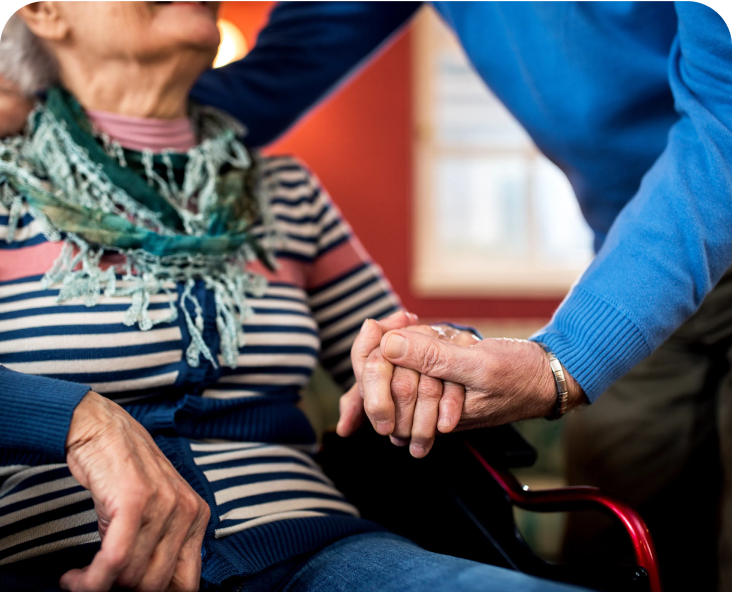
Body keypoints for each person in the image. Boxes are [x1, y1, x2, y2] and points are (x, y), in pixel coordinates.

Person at [0, 3, 587, 592]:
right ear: (47, 13)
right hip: (67, 561)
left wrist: (424, 360)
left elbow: (394, 351)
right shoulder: (7, 186)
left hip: (324, 555)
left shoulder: (288, 193)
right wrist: (80, 419)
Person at [189, 2, 732, 590]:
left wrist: (555, 357)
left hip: (694, 201)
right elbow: (267, 76)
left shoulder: (290, 198)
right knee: (616, 542)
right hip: (638, 260)